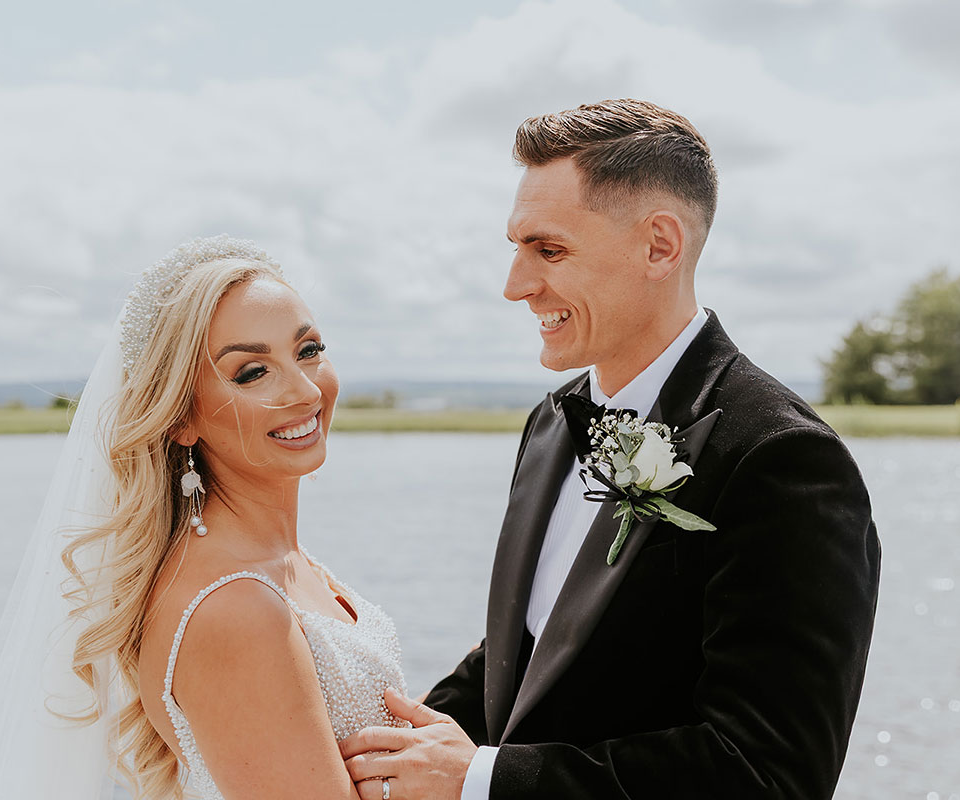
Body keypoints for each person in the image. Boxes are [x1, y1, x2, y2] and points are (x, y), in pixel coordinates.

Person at [340, 99, 881, 799]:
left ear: (660, 245)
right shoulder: (551, 423)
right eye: (516, 247)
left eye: (550, 249)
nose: (516, 286)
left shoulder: (781, 459)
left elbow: (768, 773)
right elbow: (530, 657)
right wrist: (380, 751)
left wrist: (481, 779)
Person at [0, 236, 408, 800]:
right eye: (252, 372)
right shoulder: (236, 607)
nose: (306, 389)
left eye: (308, 349)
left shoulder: (275, 565)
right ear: (181, 419)